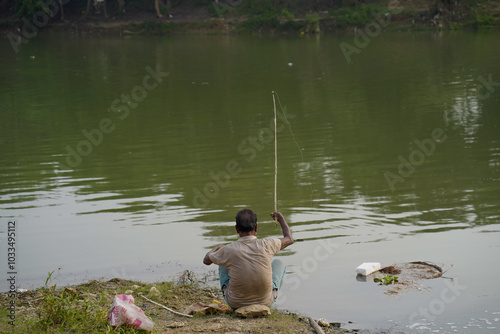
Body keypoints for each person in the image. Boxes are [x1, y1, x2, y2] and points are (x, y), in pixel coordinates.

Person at [203, 209, 293, 309]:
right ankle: (271, 293)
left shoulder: (228, 250)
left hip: (236, 304)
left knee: (221, 260)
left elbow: (206, 260)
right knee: (278, 263)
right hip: (266, 303)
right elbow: (289, 239)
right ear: (256, 227)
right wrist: (280, 218)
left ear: (236, 229)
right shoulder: (267, 244)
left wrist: (217, 247)